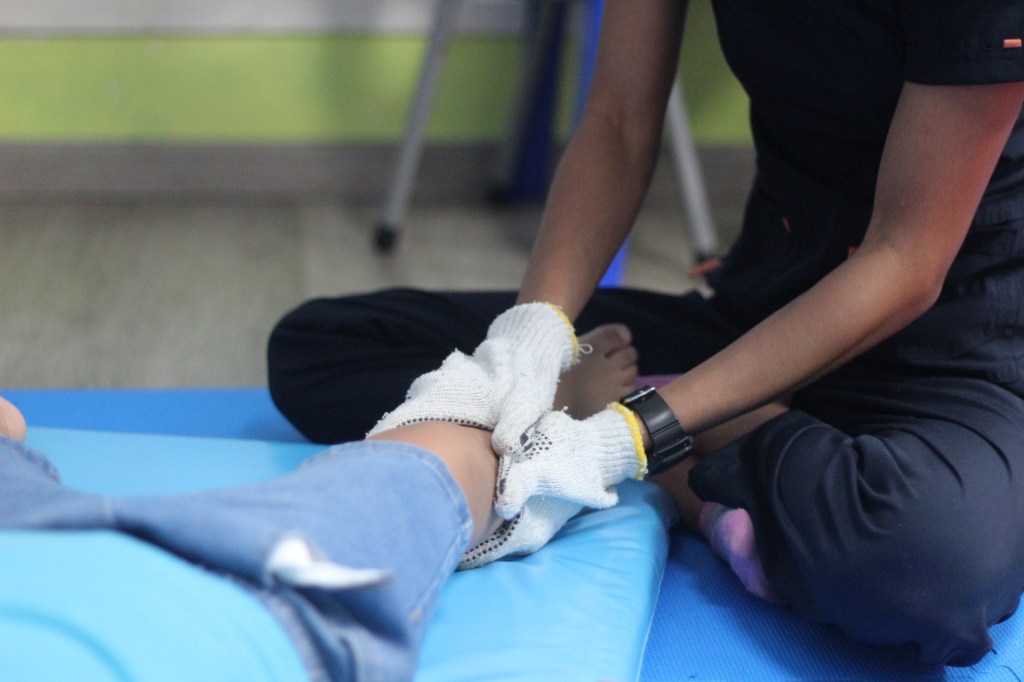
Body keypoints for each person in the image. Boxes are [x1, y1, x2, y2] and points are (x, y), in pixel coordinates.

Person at [266, 0, 1024, 668]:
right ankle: (710, 459)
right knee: (326, 344)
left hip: (954, 351)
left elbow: (907, 259)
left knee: (927, 566)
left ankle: (675, 447)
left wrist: (639, 429)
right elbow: (618, 122)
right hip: (764, 315)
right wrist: (530, 336)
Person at [0, 304, 647, 682]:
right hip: (222, 599)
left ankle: (534, 417)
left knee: (416, 472)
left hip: (194, 587)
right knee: (419, 475)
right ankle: (546, 429)